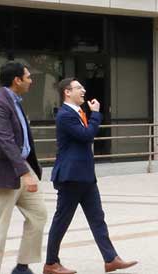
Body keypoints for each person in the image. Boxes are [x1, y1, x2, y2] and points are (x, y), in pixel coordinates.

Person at [44, 78, 137, 274]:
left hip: (85, 176)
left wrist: (91, 115)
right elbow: (86, 135)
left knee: (97, 218)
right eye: (79, 88)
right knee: (62, 220)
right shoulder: (64, 115)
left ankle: (111, 259)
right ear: (67, 92)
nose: (83, 90)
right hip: (71, 177)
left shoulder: (78, 112)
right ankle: (51, 263)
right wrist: (95, 115)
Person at [0, 62, 47, 274]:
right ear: (17, 80)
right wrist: (25, 173)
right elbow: (4, 139)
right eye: (28, 77)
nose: (31, 81)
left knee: (38, 215)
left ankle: (22, 267)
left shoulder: (14, 101)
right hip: (0, 172)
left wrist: (27, 168)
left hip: (21, 166)